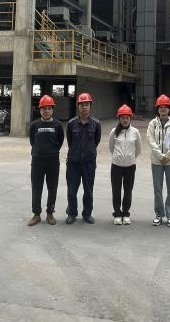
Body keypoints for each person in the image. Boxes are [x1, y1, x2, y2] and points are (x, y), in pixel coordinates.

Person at [65, 92, 101, 224]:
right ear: (78, 106)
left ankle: (87, 214)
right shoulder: (71, 123)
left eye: (86, 104)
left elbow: (96, 141)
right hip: (73, 163)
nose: (84, 107)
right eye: (82, 104)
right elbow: (70, 141)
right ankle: (72, 213)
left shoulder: (96, 124)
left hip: (89, 163)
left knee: (88, 190)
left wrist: (87, 153)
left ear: (90, 106)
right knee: (72, 190)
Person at [27, 95, 63, 226]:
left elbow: (60, 141)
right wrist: (40, 151)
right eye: (44, 108)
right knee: (36, 188)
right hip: (37, 161)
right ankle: (36, 214)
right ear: (40, 110)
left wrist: (51, 151)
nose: (46, 111)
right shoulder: (34, 125)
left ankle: (50, 213)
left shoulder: (58, 125)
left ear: (52, 110)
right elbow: (32, 141)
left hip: (53, 161)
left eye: (49, 108)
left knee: (52, 188)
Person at [146, 94, 170, 227]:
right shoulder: (152, 124)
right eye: (160, 107)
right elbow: (150, 140)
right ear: (157, 108)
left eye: (165, 107)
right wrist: (161, 156)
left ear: (169, 108)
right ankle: (159, 214)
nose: (163, 109)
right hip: (157, 161)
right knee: (157, 189)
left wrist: (168, 156)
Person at [108, 104, 141, 225]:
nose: (125, 120)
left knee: (128, 190)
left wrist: (130, 158)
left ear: (130, 118)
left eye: (127, 118)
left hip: (130, 166)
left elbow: (138, 149)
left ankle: (126, 213)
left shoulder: (135, 132)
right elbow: (111, 147)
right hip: (116, 166)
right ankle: (117, 213)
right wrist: (118, 157)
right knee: (116, 190)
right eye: (122, 118)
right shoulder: (114, 132)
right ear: (119, 118)